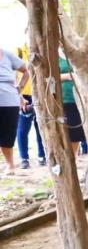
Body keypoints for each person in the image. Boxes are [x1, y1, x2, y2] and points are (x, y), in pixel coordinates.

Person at [15, 44, 45, 169]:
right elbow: (13, 74)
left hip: (40, 94)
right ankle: (24, 158)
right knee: (22, 129)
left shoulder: (41, 50)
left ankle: (42, 156)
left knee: (41, 128)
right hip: (25, 96)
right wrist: (19, 96)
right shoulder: (19, 50)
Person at [1, 47, 29, 175]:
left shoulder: (7, 54)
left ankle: (10, 165)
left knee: (8, 134)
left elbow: (26, 71)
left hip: (9, 101)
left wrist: (19, 89)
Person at [57, 51, 87, 157]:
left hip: (80, 99)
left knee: (76, 132)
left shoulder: (77, 52)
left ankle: (73, 158)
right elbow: (46, 77)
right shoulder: (53, 56)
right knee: (62, 132)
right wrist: (68, 76)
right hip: (62, 100)